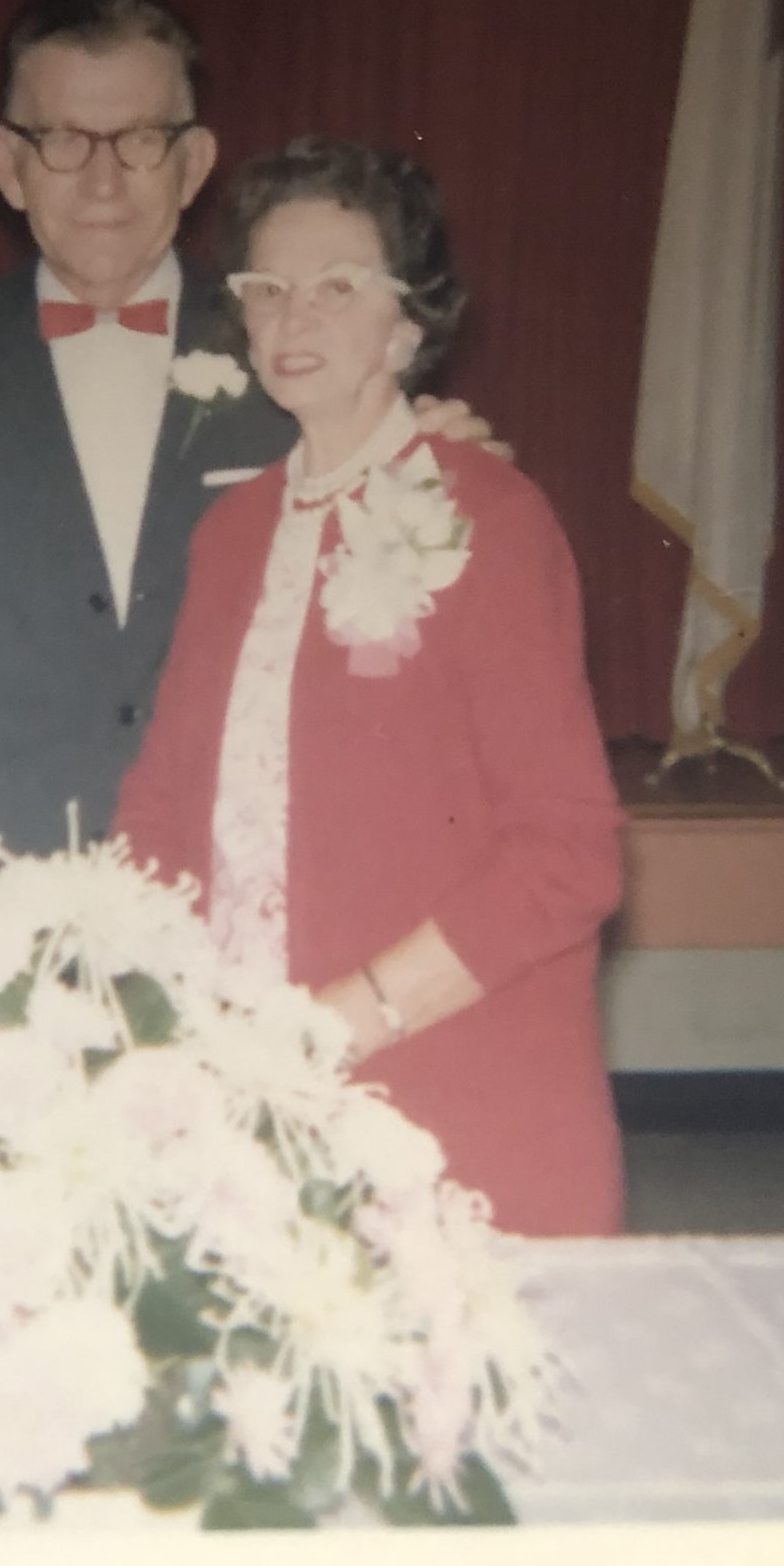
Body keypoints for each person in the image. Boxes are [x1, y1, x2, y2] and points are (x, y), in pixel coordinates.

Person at [115, 139, 623, 1237]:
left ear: (407, 325)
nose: (293, 319)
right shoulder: (230, 529)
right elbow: (162, 809)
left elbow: (568, 856)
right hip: (245, 1106)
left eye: (337, 288)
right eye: (267, 288)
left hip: (450, 1092)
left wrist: (345, 1020)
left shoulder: (489, 515)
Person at [0, 0, 493, 857]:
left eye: (141, 140)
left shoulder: (308, 358)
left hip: (251, 887)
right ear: (6, 164)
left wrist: (443, 485)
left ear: (196, 161)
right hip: (0, 902)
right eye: (62, 141)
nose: (104, 181)